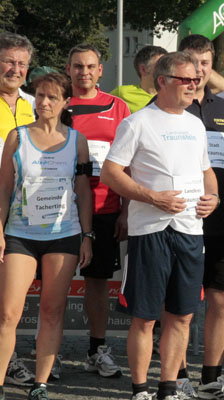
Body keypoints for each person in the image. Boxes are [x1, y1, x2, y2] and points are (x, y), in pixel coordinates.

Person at [101, 51, 219, 400]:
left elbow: (207, 171)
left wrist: (213, 197)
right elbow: (110, 173)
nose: (194, 85)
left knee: (182, 316)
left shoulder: (195, 124)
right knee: (145, 318)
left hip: (190, 231)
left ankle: (168, 388)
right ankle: (140, 390)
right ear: (163, 81)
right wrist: (153, 197)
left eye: (196, 79)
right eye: (187, 80)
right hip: (151, 231)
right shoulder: (137, 122)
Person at [0, 72, 93, 400]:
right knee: (8, 313)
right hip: (20, 234)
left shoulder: (77, 141)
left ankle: (40, 384)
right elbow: (4, 188)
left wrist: (87, 235)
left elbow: (83, 189)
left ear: (66, 101)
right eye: (39, 95)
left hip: (63, 234)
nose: (44, 102)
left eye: (52, 97)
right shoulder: (17, 136)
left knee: (52, 310)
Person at [177, 34, 224, 399]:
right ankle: (178, 378)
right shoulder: (169, 105)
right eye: (193, 62)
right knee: (182, 303)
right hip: (182, 220)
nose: (199, 70)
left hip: (221, 222)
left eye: (205, 63)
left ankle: (211, 379)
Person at [66, 43, 131, 379]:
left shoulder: (118, 107)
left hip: (106, 206)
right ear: (68, 70)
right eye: (78, 66)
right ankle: (49, 349)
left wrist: (125, 211)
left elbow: (131, 164)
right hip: (60, 207)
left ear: (100, 70)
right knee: (53, 281)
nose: (84, 72)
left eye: (90, 66)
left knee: (97, 282)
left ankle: (96, 349)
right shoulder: (57, 104)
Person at [0, 32, 37, 389]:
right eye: (8, 61)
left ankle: (8, 360)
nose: (15, 69)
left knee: (10, 300)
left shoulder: (35, 105)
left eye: (21, 63)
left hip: (23, 214)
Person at [110, 45, 167, 113]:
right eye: (161, 65)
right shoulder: (122, 93)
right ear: (143, 70)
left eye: (168, 65)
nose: (167, 69)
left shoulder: (173, 96)